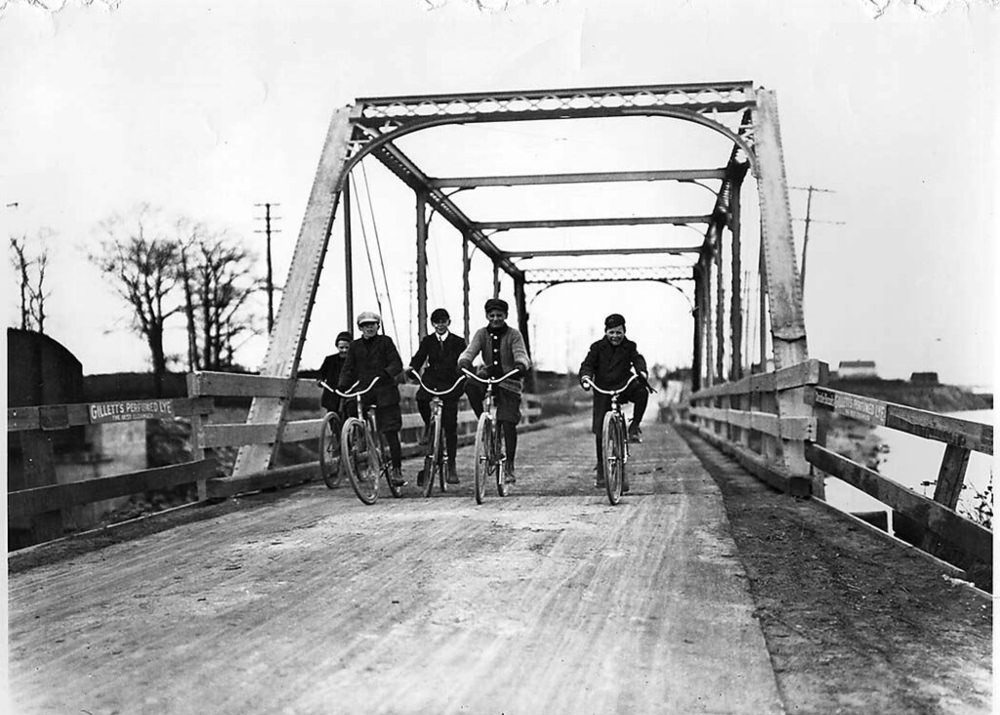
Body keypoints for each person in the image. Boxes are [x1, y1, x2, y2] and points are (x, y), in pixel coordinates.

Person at [458, 298, 531, 484]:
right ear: (487, 316)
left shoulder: (514, 335)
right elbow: (470, 350)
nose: (496, 319)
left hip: (509, 378)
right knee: (471, 386)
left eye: (499, 315)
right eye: (492, 316)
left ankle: (509, 466)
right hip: (489, 374)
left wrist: (521, 365)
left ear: (506, 316)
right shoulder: (482, 334)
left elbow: (521, 354)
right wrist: (464, 361)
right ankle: (484, 422)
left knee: (507, 422)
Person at [579, 313, 652, 489]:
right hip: (603, 389)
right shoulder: (597, 347)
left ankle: (634, 427)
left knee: (642, 392)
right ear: (606, 332)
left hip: (623, 385)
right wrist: (586, 378)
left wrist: (642, 371)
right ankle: (602, 471)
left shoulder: (629, 346)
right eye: (612, 332)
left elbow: (637, 359)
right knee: (600, 430)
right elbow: (587, 365)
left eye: (619, 332)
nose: (615, 336)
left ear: (624, 331)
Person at [337, 311, 406, 487]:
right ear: (360, 328)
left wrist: (386, 373)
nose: (369, 328)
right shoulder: (355, 346)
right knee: (350, 405)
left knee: (390, 429)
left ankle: (396, 469)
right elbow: (348, 368)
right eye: (365, 325)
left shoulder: (386, 342)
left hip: (384, 388)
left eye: (373, 324)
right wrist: (342, 385)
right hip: (365, 388)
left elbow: (396, 364)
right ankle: (357, 439)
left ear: (378, 326)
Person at [408, 308, 467, 485]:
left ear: (449, 322)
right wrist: (412, 368)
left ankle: (452, 466)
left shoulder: (458, 341)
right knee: (421, 398)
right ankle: (429, 426)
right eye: (436, 322)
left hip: (450, 382)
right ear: (432, 324)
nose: (440, 325)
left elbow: (465, 359)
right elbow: (419, 358)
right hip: (432, 379)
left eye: (443, 321)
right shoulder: (428, 341)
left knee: (450, 426)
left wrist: (465, 373)